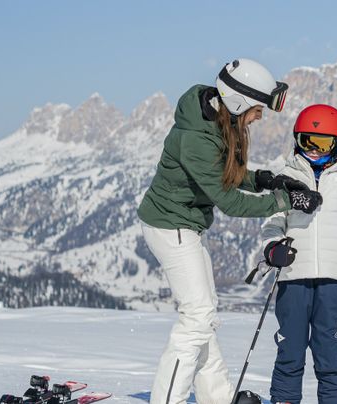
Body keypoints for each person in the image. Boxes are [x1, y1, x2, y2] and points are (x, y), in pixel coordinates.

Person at [137, 58, 323, 404]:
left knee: (204, 316)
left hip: (185, 225)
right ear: (238, 103)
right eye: (257, 110)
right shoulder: (196, 139)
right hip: (170, 226)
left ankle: (217, 398)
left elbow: (225, 174)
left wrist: (267, 180)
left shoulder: (212, 120)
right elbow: (230, 202)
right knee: (197, 316)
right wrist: (285, 201)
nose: (259, 117)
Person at [258, 104, 337, 404]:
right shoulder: (285, 178)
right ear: (296, 140)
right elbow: (272, 224)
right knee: (290, 347)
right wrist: (274, 248)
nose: (313, 150)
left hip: (333, 279)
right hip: (293, 275)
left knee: (328, 349)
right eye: (306, 141)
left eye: (322, 144)